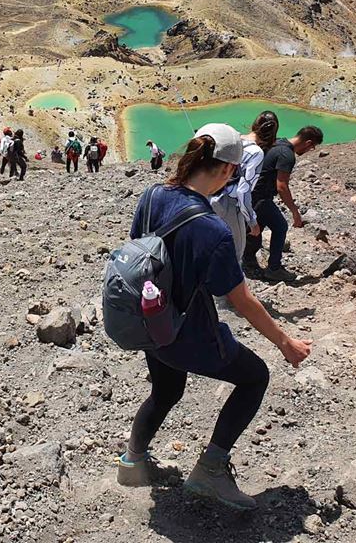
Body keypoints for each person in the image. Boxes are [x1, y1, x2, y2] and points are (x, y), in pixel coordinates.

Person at [116, 127, 312, 511]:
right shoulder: (213, 230)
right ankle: (209, 471)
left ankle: (132, 460)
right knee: (255, 376)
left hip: (150, 320)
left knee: (166, 389)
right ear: (226, 170)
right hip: (187, 332)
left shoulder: (152, 194)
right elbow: (242, 300)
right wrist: (285, 343)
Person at [244, 126, 324, 282]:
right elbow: (282, 186)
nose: (310, 150)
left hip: (251, 194)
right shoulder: (287, 155)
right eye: (312, 147)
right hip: (261, 197)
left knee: (256, 229)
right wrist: (295, 212)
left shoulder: (278, 142)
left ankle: (248, 262)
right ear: (307, 142)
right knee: (280, 226)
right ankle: (274, 268)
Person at [209, 113, 274, 270]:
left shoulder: (233, 138)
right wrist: (252, 221)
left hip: (208, 196)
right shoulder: (256, 153)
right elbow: (243, 191)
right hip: (229, 205)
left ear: (254, 125)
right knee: (235, 255)